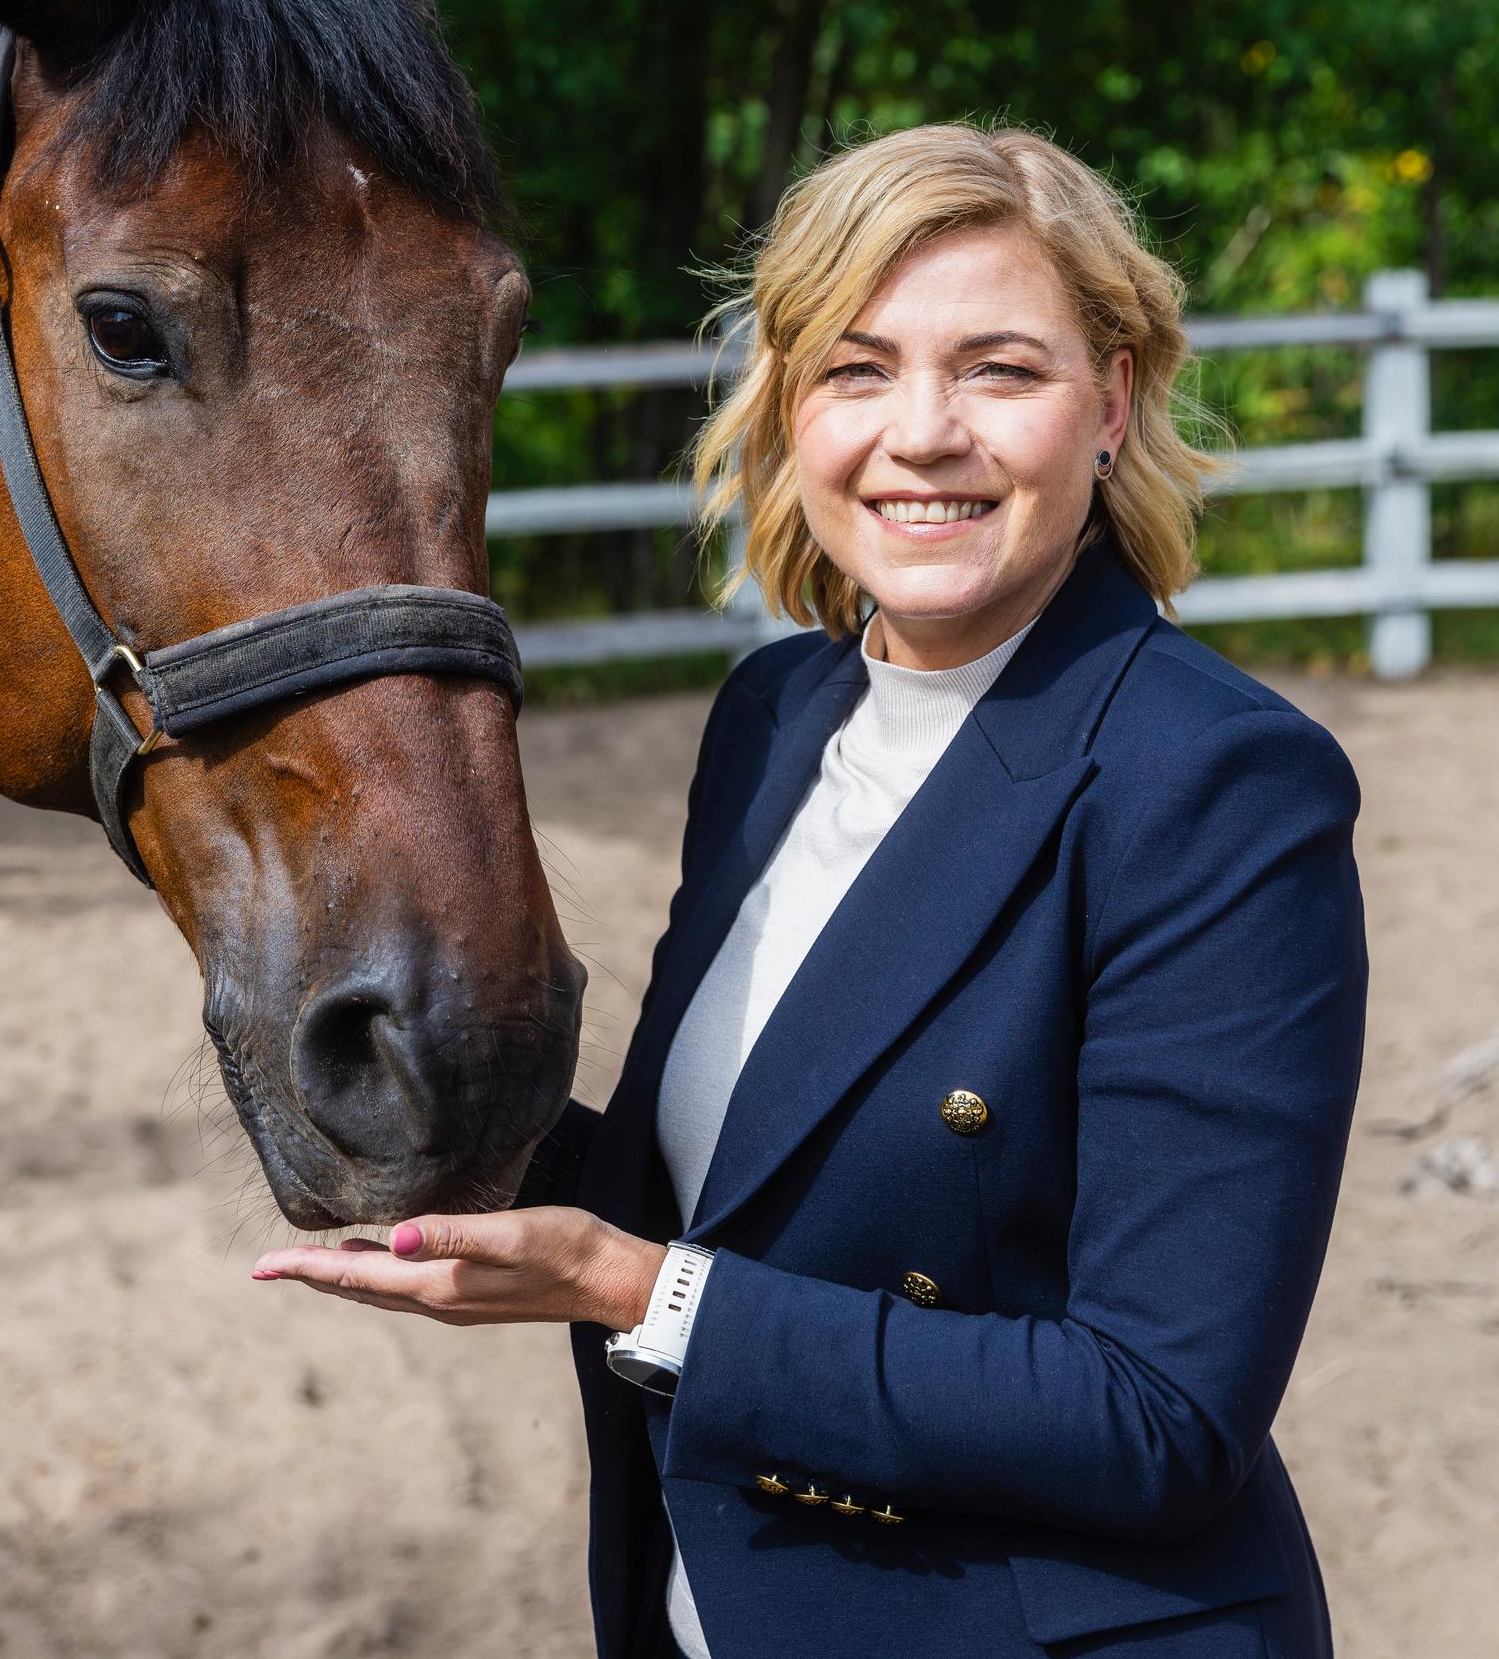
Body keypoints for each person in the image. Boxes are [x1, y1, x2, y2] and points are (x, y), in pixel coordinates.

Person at [253, 121, 1367, 1659]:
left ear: (1110, 403)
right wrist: (431, 1127)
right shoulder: (775, 718)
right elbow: (760, 1178)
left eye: (999, 368)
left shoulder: (1218, 783)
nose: (923, 431)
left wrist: (644, 1291)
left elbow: (1159, 1414)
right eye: (858, 368)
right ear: (791, 409)